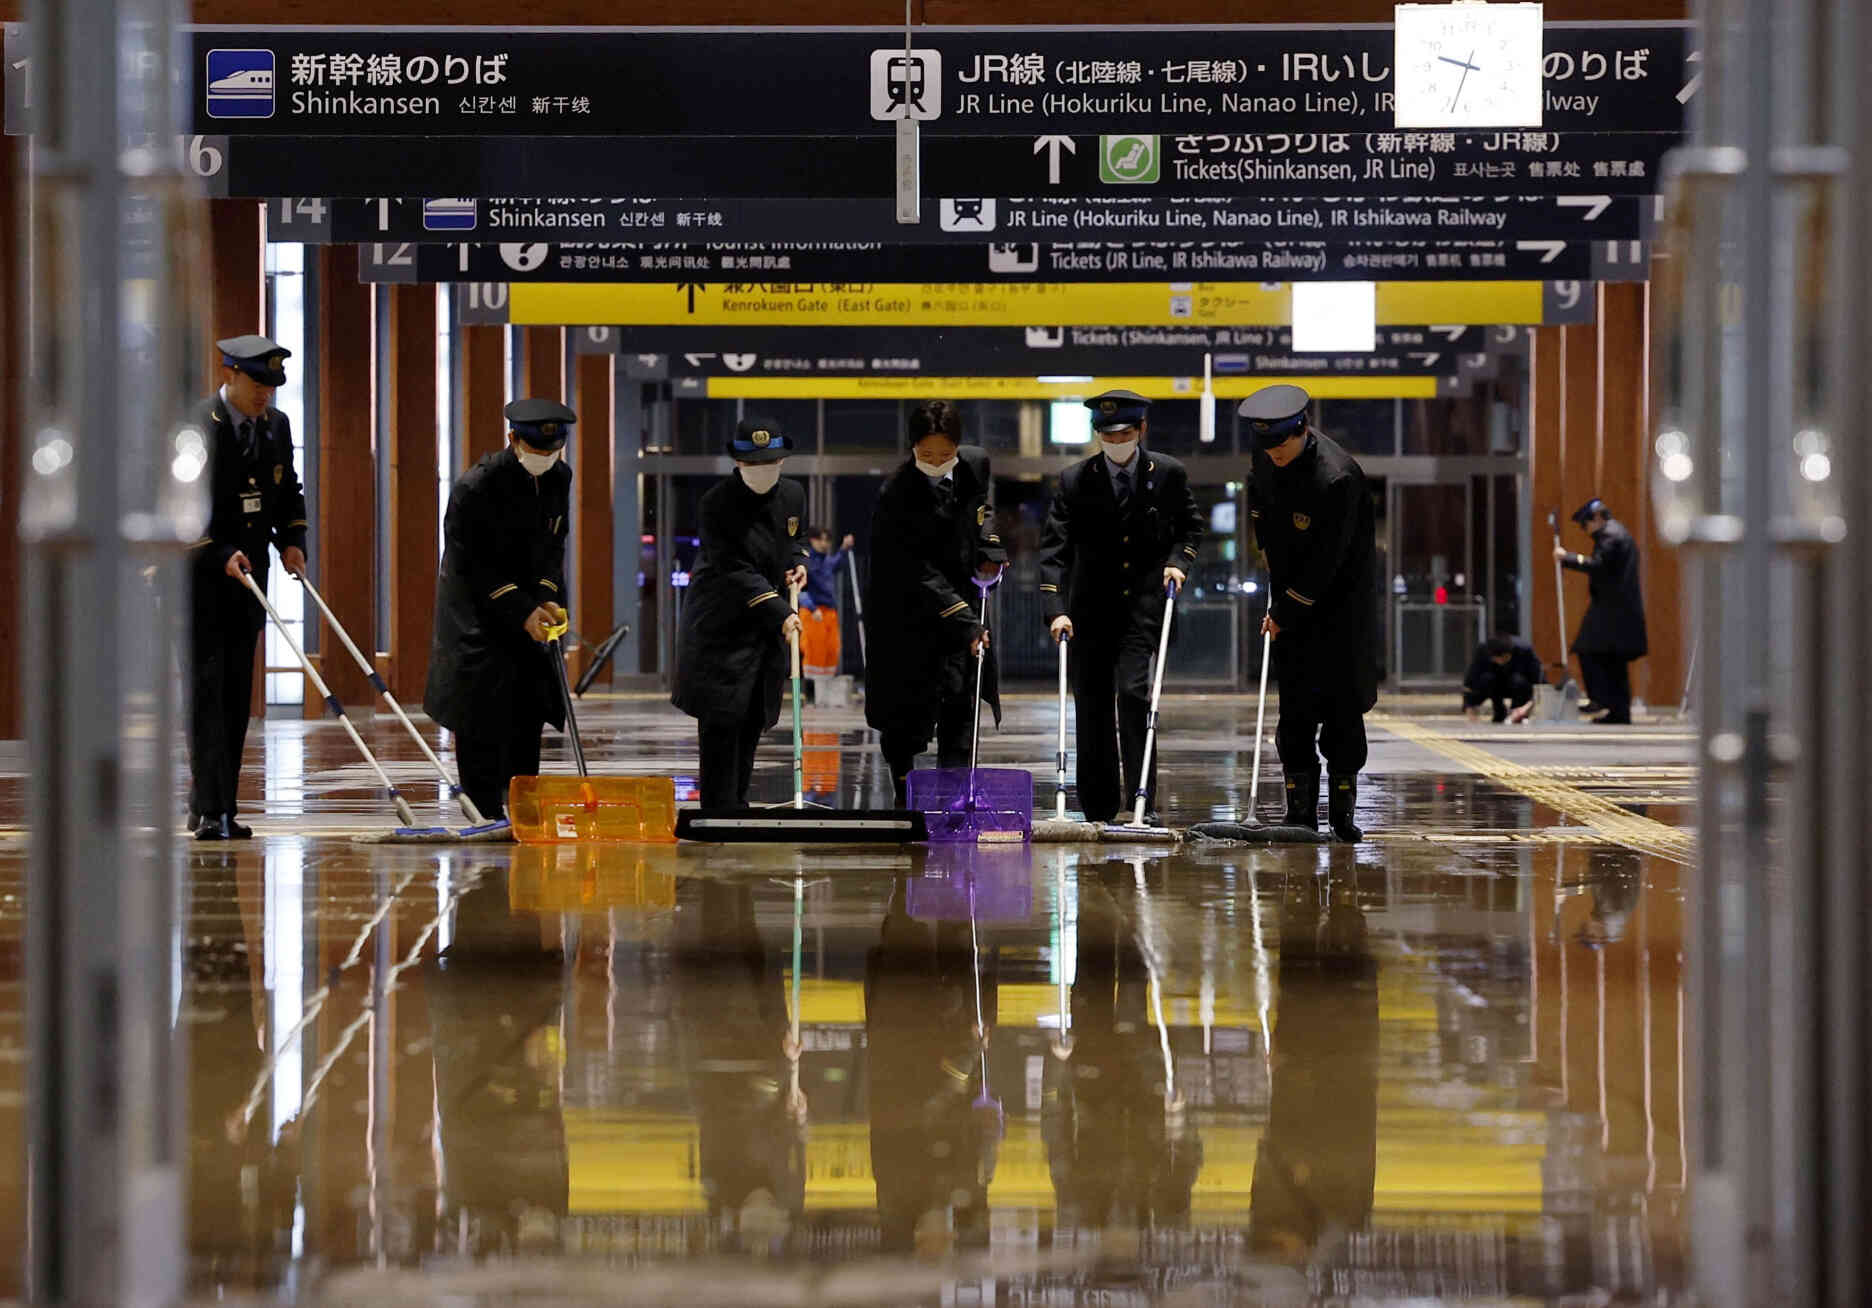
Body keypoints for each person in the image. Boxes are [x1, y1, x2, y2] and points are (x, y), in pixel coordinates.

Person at [1038, 390, 1203, 824]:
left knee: (1133, 696)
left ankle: (1142, 801)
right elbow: (1054, 550)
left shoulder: (1167, 474)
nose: (1116, 442)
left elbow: (1190, 528)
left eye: (1124, 433)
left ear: (1141, 430)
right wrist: (1055, 607)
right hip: (1089, 614)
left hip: (1141, 611)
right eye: (1107, 435)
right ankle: (1099, 806)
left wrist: (1178, 562)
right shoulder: (1075, 480)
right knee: (1092, 705)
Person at [423, 398, 575, 822]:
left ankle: (523, 811)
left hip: (529, 615)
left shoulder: (559, 477)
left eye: (553, 450)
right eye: (537, 449)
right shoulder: (476, 487)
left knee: (528, 711)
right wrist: (523, 610)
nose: (545, 457)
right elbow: (473, 565)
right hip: (478, 618)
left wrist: (547, 597)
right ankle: (485, 814)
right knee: (481, 719)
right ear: (514, 439)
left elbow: (553, 547)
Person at [1242, 383, 1379, 843]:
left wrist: (1283, 612)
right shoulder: (1266, 458)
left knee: (1342, 716)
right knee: (1295, 715)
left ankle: (1342, 815)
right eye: (1267, 448)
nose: (1274, 456)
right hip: (1291, 606)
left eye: (1280, 447)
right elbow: (1260, 505)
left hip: (1340, 612)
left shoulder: (1338, 478)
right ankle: (1299, 814)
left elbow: (1328, 562)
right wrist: (1266, 553)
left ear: (1301, 430)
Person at [186, 334, 309, 840]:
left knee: (236, 698)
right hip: (199, 586)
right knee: (208, 697)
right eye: (257, 383)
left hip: (249, 584)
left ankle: (214, 805)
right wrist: (220, 553)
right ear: (230, 374)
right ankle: (213, 810)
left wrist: (293, 541)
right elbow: (181, 504)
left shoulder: (276, 425)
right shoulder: (196, 426)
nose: (265, 394)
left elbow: (287, 491)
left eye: (272, 386)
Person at [864, 400, 1006, 805]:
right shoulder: (896, 494)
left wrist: (990, 548)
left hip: (959, 608)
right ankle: (904, 799)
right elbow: (916, 571)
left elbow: (982, 509)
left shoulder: (974, 465)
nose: (937, 463)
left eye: (945, 454)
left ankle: (954, 802)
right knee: (904, 720)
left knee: (960, 705)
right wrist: (967, 621)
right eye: (926, 455)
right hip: (905, 613)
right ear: (912, 447)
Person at [671, 419, 810, 809]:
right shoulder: (717, 503)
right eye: (754, 464)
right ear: (738, 463)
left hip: (763, 631)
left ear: (782, 461)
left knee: (751, 719)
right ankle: (719, 813)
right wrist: (781, 611)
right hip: (721, 628)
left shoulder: (793, 494)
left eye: (770, 463)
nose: (763, 470)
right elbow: (733, 568)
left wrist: (799, 564)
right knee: (722, 723)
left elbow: (795, 540)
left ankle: (738, 809)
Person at [1557, 497, 1648, 725]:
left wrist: (1568, 558)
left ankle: (1600, 700)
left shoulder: (1609, 536)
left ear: (1597, 518)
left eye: (1585, 524)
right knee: (1613, 660)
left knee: (1588, 650)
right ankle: (1618, 712)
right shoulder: (1619, 533)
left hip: (1611, 609)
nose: (1585, 529)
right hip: (1619, 608)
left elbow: (1599, 565)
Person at [797, 526, 855, 693]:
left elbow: (837, 562)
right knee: (813, 651)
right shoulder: (806, 561)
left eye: (827, 540)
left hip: (829, 611)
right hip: (812, 611)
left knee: (831, 650)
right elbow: (800, 589)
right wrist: (812, 607)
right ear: (812, 540)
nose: (823, 543)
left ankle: (824, 694)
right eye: (819, 539)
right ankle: (810, 694)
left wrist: (844, 548)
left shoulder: (827, 561)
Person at [1462, 633, 1542, 724]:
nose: (1500, 662)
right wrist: (1469, 707)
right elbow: (1469, 683)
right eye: (1497, 660)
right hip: (1494, 685)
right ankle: (1499, 712)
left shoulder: (1525, 650)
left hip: (1519, 687)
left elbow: (1540, 685)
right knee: (1486, 679)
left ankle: (1516, 712)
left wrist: (1526, 707)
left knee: (1519, 681)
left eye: (1504, 658)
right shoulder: (1483, 651)